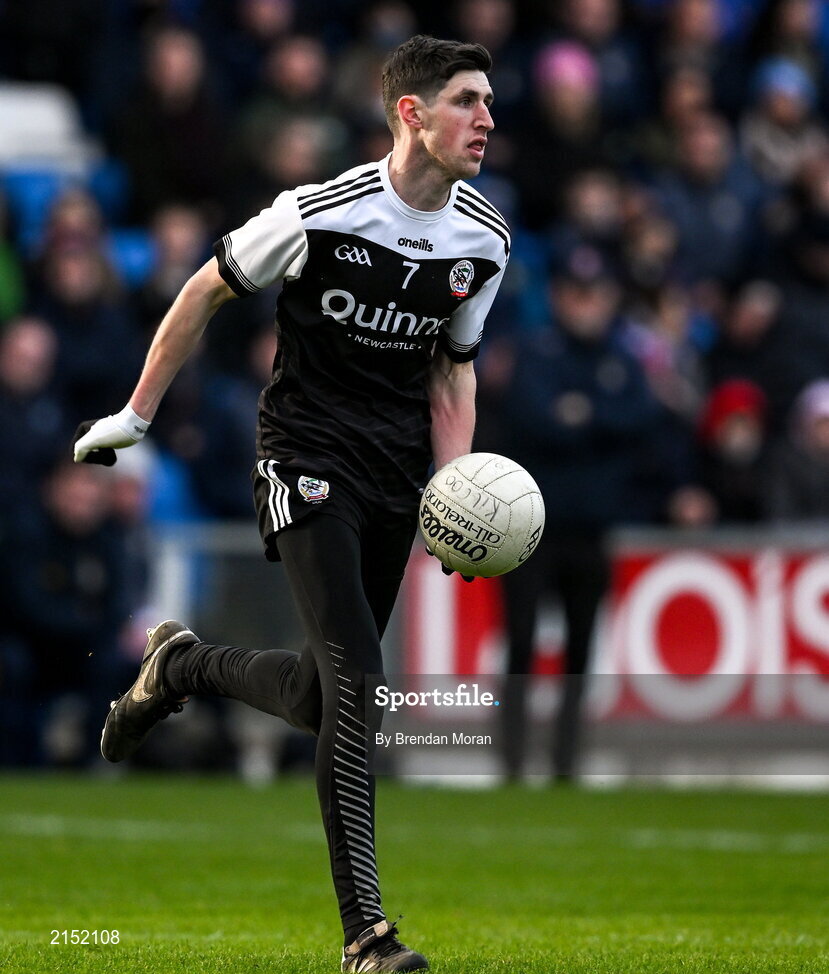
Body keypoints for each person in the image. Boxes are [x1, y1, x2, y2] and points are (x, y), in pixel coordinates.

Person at [73, 34, 508, 973]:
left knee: (324, 695)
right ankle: (366, 935)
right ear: (410, 113)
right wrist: (136, 414)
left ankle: (183, 666)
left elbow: (452, 377)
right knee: (358, 685)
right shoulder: (317, 212)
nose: (485, 118)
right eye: (466, 100)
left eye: (486, 101)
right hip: (306, 453)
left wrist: (453, 492)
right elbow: (201, 292)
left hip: (397, 472)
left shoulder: (485, 238)